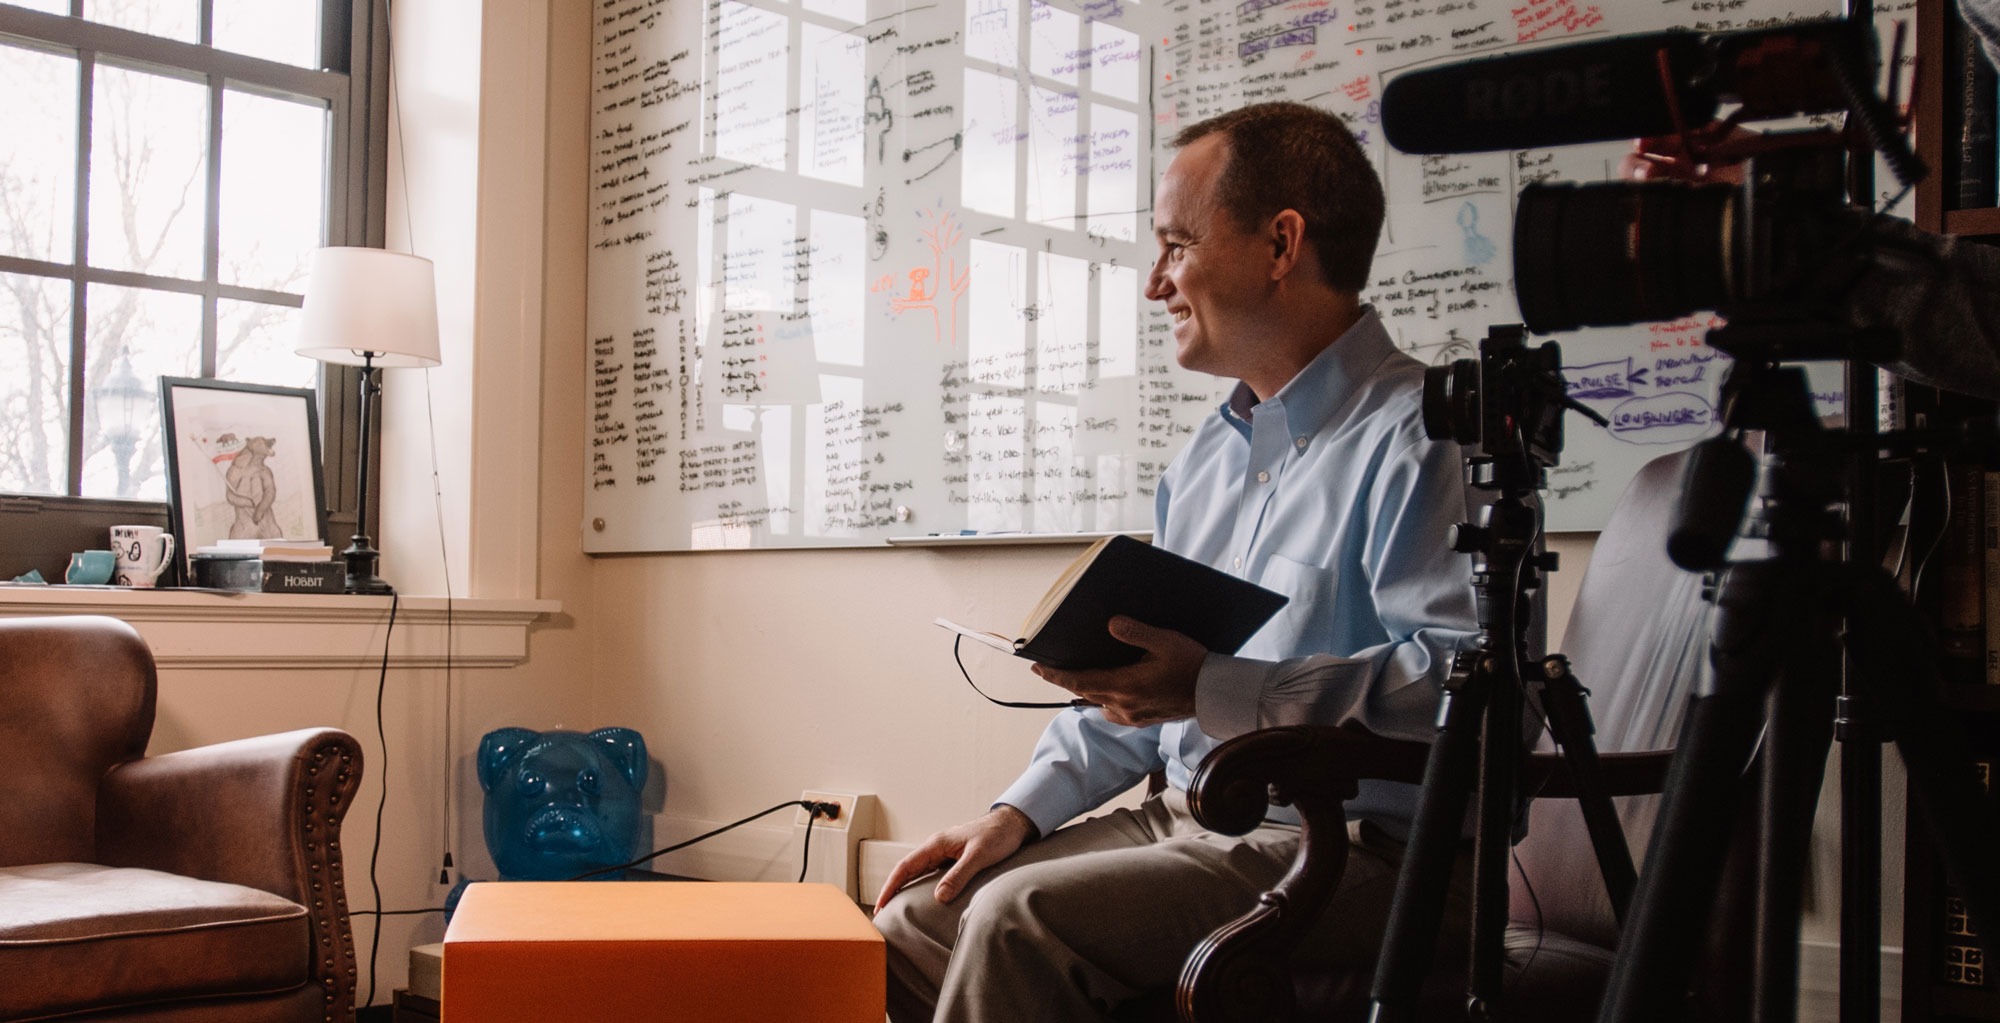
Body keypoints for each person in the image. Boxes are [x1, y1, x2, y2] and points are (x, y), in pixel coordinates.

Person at [872, 101, 1481, 1022]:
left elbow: (1462, 688)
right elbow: (1143, 694)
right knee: (916, 918)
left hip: (1368, 849)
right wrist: (1016, 812)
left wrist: (1216, 688)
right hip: (1194, 818)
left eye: (1176, 245)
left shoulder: (1424, 435)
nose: (1156, 282)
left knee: (1014, 919)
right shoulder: (1205, 460)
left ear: (1281, 245)